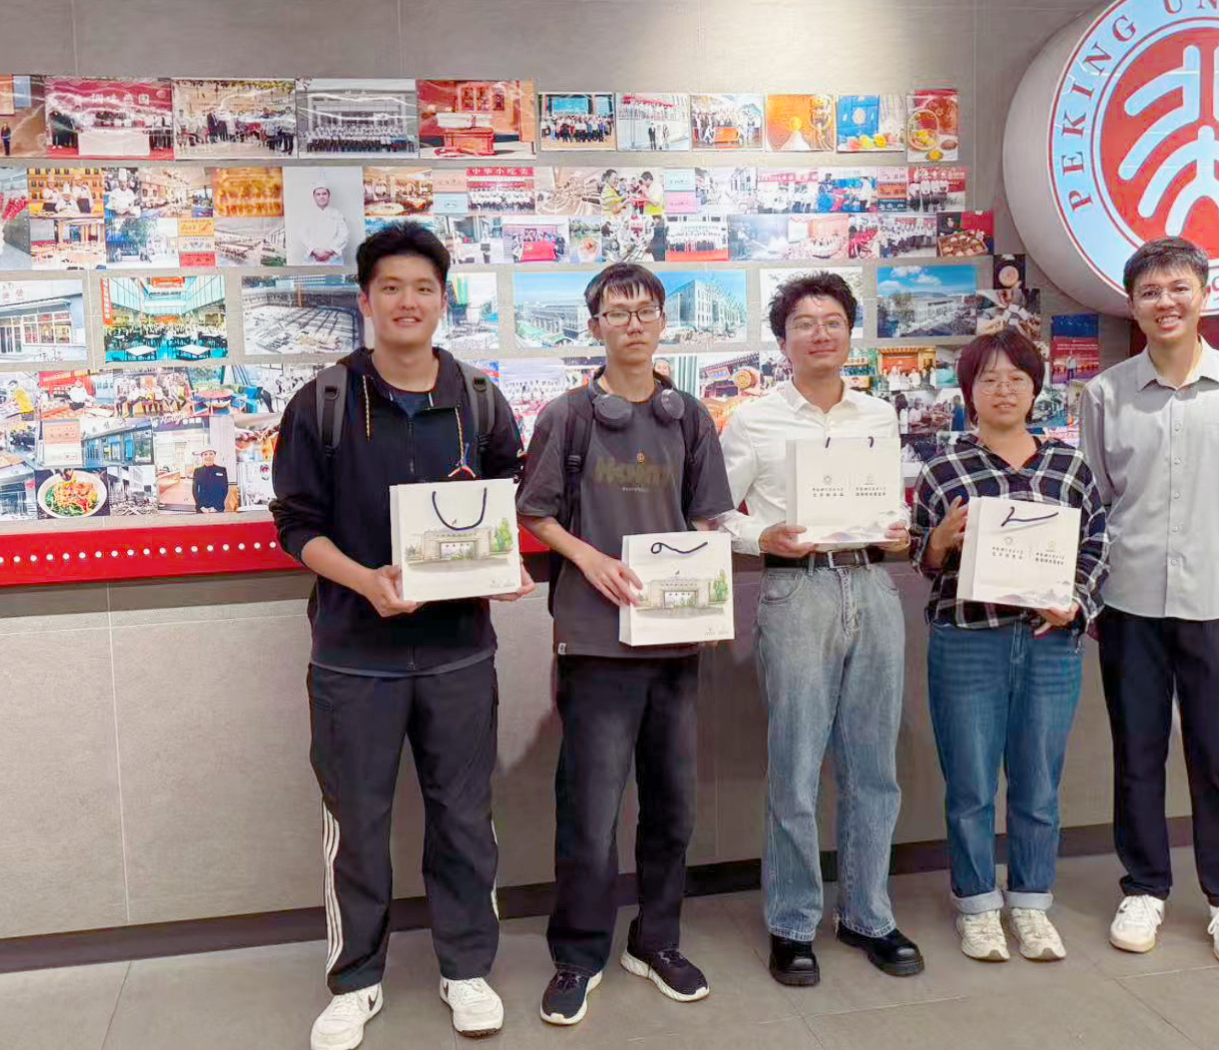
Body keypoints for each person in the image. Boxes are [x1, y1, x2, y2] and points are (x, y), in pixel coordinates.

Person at [271, 223, 533, 1050]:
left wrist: (504, 566)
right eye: (390, 287)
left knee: (464, 816)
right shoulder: (322, 402)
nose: (406, 301)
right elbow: (296, 526)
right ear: (365, 300)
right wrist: (364, 581)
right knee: (356, 823)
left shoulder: (480, 399)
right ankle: (355, 979)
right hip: (353, 655)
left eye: (422, 287)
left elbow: (505, 507)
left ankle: (466, 968)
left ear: (442, 300)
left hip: (459, 652)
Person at [517, 262, 733, 1027]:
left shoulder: (688, 416)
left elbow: (706, 515)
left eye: (645, 310)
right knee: (590, 810)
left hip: (672, 642)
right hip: (595, 642)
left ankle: (656, 938)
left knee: (671, 805)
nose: (633, 323)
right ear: (595, 326)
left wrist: (688, 573)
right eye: (617, 311)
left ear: (663, 322)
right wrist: (591, 559)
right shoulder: (568, 416)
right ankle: (579, 953)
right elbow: (535, 512)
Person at [1079, 236, 1219, 968]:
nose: (1164, 302)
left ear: (1204, 294)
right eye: (1149, 292)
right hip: (1129, 602)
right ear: (1132, 304)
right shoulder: (1105, 395)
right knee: (1136, 753)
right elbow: (1094, 502)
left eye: (1178, 288)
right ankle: (1143, 886)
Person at [718, 272, 923, 988]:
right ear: (783, 340)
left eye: (833, 321)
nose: (820, 334)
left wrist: (899, 527)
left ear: (849, 333)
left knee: (873, 767)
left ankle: (866, 912)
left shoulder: (877, 414)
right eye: (803, 323)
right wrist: (762, 534)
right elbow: (712, 510)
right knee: (797, 764)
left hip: (871, 583)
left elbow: (887, 504)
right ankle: (793, 920)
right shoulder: (754, 420)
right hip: (796, 589)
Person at [912, 329, 1107, 963]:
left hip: (1049, 644)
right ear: (968, 392)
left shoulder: (1069, 467)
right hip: (968, 642)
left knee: (1039, 783)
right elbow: (922, 558)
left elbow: (1097, 547)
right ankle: (976, 905)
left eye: (1016, 379)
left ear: (1035, 390)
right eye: (989, 380)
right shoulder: (944, 470)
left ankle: (1030, 901)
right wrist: (940, 540)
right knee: (970, 783)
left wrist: (1074, 601)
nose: (1003, 390)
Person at [294, 183, 352, 265]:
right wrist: (315, 251)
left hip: (333, 259)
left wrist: (330, 251)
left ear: (328, 196)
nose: (321, 197)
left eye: (324, 194)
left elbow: (344, 234)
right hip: (312, 260)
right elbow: (303, 235)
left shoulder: (337, 214)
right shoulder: (307, 215)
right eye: (318, 194)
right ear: (314, 197)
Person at [191, 448, 229, 513]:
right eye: (205, 454)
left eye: (211, 454)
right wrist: (201, 507)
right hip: (202, 508)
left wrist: (216, 507)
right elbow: (195, 490)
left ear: (214, 455)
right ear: (202, 456)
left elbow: (225, 489)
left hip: (218, 507)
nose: (208, 456)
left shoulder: (222, 470)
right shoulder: (197, 471)